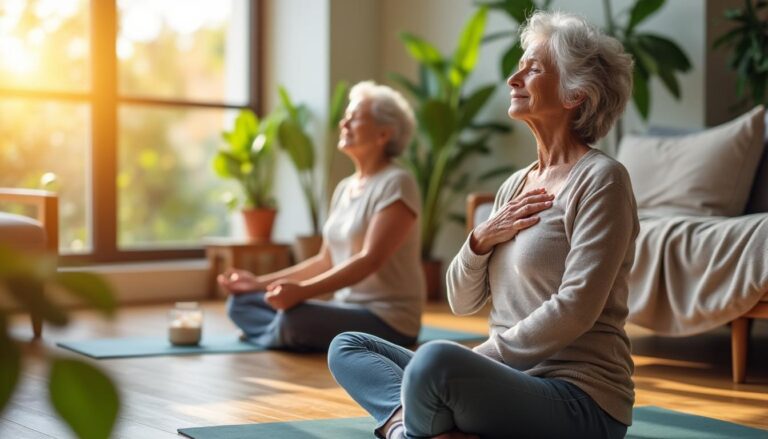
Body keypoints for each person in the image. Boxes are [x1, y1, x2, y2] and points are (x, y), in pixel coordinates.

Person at [328, 11, 637, 439]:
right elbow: (462, 300)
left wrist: (482, 358)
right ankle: (411, 426)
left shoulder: (603, 180)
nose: (514, 79)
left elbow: (576, 307)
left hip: (577, 398)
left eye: (533, 69)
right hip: (503, 381)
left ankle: (411, 427)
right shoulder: (515, 185)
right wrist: (479, 240)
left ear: (574, 95)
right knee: (348, 347)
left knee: (435, 363)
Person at [221, 81, 425, 352]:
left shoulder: (397, 183)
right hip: (343, 308)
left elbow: (370, 259)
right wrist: (257, 284)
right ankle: (277, 332)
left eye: (354, 118)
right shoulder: (345, 188)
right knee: (241, 303)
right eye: (346, 117)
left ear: (383, 134)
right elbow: (325, 260)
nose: (344, 124)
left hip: (387, 318)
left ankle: (272, 333)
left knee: (295, 318)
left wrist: (302, 292)